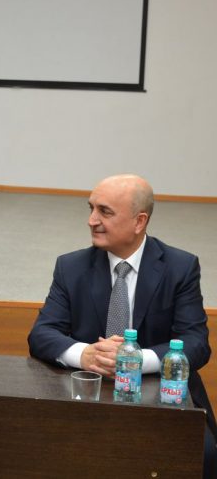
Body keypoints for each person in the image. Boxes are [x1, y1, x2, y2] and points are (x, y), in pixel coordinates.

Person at [28, 174, 217, 477]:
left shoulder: (180, 267)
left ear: (139, 221)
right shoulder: (71, 267)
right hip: (87, 395)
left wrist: (134, 360)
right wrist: (86, 355)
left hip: (159, 394)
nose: (92, 220)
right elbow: (41, 334)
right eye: (91, 208)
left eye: (105, 211)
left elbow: (196, 343)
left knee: (203, 453)